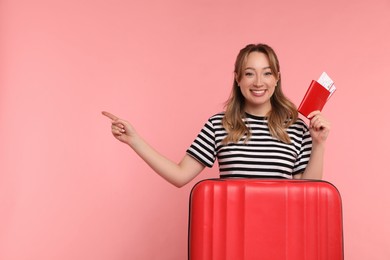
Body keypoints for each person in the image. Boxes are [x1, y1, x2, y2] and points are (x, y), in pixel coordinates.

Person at [102, 43, 330, 188]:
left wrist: (318, 144)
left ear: (277, 78)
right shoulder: (219, 125)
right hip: (231, 235)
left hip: (281, 231)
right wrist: (134, 141)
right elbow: (180, 176)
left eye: (267, 73)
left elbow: (307, 190)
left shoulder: (297, 127)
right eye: (249, 73)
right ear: (238, 78)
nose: (259, 82)